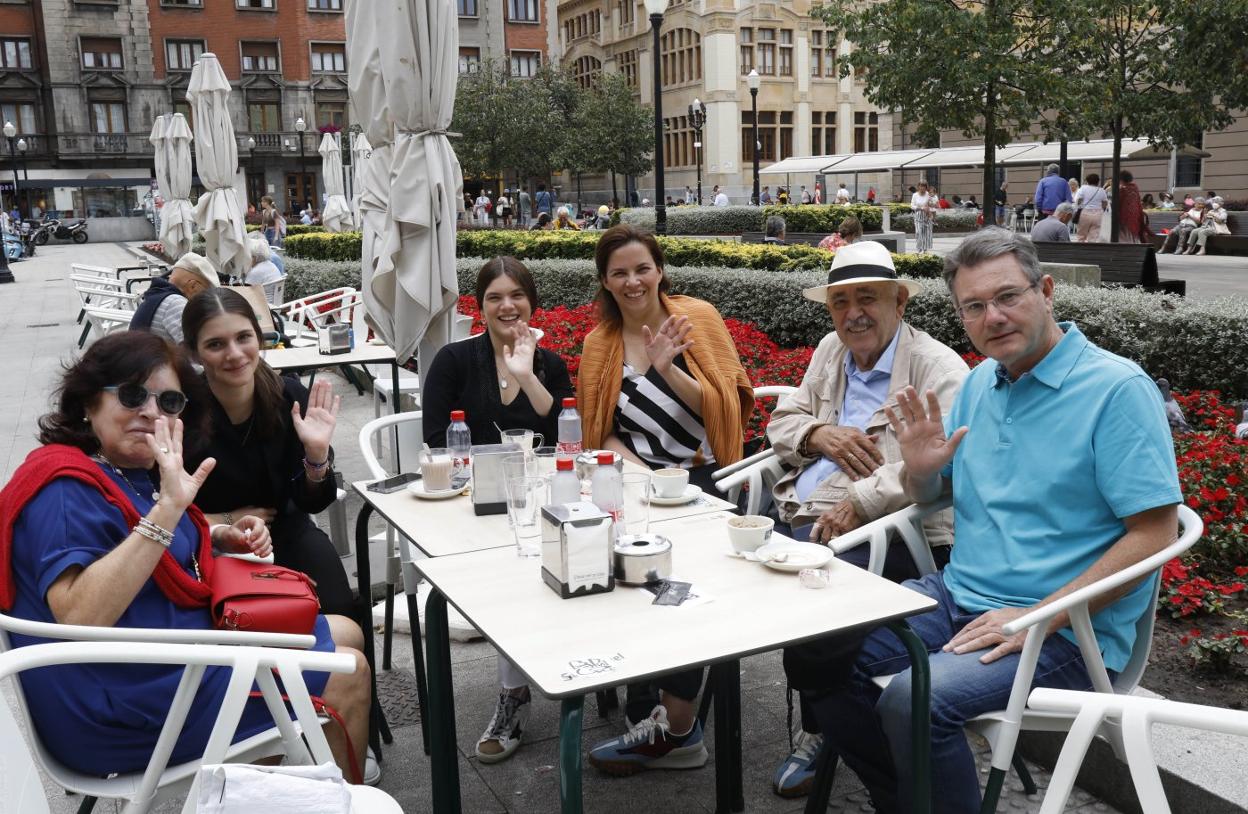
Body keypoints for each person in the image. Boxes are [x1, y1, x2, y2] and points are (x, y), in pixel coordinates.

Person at [794, 228, 1181, 813]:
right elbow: (935, 491)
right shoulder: (980, 384)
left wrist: (1038, 618)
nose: (993, 317)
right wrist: (920, 472)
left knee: (913, 700)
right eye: (974, 306)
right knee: (812, 652)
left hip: (1071, 629)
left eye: (1008, 297)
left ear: (1046, 291)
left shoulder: (1115, 390)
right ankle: (908, 800)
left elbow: (1156, 533)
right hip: (957, 599)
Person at [0, 331, 374, 783]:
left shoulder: (110, 470)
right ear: (88, 401)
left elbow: (130, 542)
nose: (151, 412)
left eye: (169, 402)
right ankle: (310, 788)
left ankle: (274, 787)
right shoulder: (64, 489)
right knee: (348, 673)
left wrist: (215, 536)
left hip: (152, 663)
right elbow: (81, 614)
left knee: (346, 631)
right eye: (134, 394)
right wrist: (170, 508)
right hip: (121, 704)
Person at [767, 241, 968, 798]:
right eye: (841, 302)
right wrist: (816, 433)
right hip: (801, 513)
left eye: (868, 298)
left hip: (900, 534)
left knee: (812, 635)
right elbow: (782, 421)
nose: (853, 313)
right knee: (730, 584)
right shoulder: (831, 351)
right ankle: (829, 724)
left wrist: (862, 498)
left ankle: (872, 766)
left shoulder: (936, 367)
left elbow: (938, 467)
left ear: (900, 302)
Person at [580, 225, 753, 774]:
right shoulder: (600, 345)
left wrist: (666, 369)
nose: (633, 281)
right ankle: (645, 713)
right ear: (605, 282)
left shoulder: (695, 318)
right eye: (619, 273)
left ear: (659, 270)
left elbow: (726, 411)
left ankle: (678, 731)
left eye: (642, 268)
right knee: (625, 587)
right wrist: (642, 479)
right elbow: (599, 432)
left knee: (680, 595)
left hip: (705, 482)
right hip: (635, 484)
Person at [181, 290, 356, 625]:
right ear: (194, 352)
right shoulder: (184, 413)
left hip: (287, 533)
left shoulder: (288, 396)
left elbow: (313, 502)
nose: (234, 354)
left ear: (258, 338)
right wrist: (227, 520)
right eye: (215, 344)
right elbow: (161, 510)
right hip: (207, 548)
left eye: (243, 337)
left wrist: (317, 458)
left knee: (340, 613)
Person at [422, 257, 574, 452]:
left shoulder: (552, 365)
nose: (507, 305)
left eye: (517, 295)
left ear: (531, 303)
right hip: (469, 480)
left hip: (536, 480)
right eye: (495, 298)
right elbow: (436, 444)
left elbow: (566, 441)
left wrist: (527, 378)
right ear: (482, 308)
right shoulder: (452, 361)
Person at [130, 252, 219, 345]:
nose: (206, 299)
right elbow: (194, 348)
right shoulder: (176, 304)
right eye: (206, 292)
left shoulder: (160, 295)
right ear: (193, 286)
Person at [1116, 170, 1151, 244]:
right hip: (1136, 214)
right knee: (1134, 233)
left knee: (1125, 234)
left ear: (1121, 179)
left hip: (1125, 215)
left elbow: (1118, 203)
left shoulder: (1122, 189)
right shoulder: (1135, 188)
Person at [243, 235, 283, 299]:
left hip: (262, 305)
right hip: (274, 303)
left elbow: (246, 294)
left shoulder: (256, 271)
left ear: (254, 257)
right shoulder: (271, 265)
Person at [1074, 173, 1108, 242]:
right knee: (1094, 237)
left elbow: (1079, 200)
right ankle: (1091, 251)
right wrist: (1102, 210)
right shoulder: (1101, 190)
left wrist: (1079, 207)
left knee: (1081, 236)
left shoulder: (1083, 188)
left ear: (1087, 181)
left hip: (1084, 213)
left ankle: (1080, 250)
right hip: (1098, 214)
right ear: (1098, 181)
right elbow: (1105, 203)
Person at [911, 181, 936, 253]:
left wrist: (931, 203)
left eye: (924, 186)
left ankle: (925, 249)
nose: (922, 188)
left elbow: (933, 204)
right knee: (918, 232)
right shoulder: (915, 195)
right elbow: (912, 206)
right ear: (918, 187)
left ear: (926, 187)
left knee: (926, 233)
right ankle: (919, 248)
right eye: (921, 186)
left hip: (927, 216)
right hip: (918, 216)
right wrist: (920, 208)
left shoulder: (928, 194)